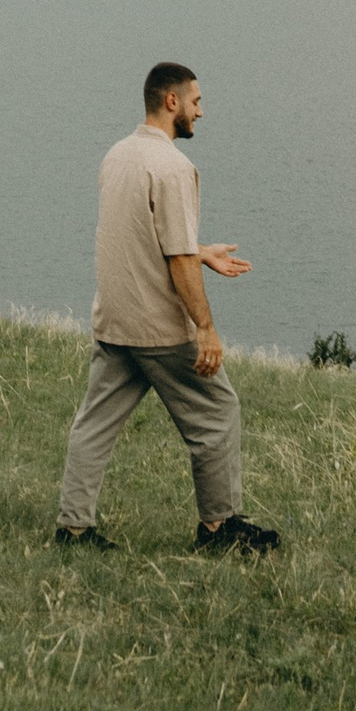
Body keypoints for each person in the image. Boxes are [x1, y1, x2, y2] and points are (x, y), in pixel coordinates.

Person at [54, 60, 282, 557]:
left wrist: (201, 251)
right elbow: (176, 258)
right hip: (158, 330)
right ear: (171, 101)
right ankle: (218, 529)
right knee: (217, 412)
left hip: (115, 321)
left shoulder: (117, 155)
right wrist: (205, 327)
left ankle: (73, 530)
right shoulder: (174, 168)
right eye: (196, 102)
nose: (201, 112)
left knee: (94, 424)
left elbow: (141, 234)